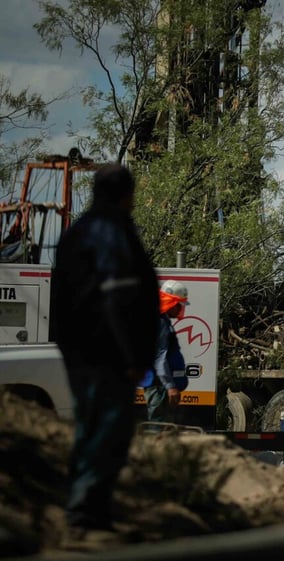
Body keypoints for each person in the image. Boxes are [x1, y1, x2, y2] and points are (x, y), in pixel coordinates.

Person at [51, 164, 159, 537]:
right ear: (125, 195)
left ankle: (87, 510)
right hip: (107, 354)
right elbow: (118, 299)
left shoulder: (76, 233)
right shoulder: (110, 233)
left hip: (80, 351)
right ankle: (85, 513)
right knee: (108, 432)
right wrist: (130, 356)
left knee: (90, 426)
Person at [142, 280, 189, 423]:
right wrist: (170, 387)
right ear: (171, 303)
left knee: (163, 428)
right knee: (158, 428)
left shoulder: (163, 321)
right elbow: (159, 358)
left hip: (161, 387)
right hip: (159, 387)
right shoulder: (160, 323)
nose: (180, 308)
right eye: (179, 304)